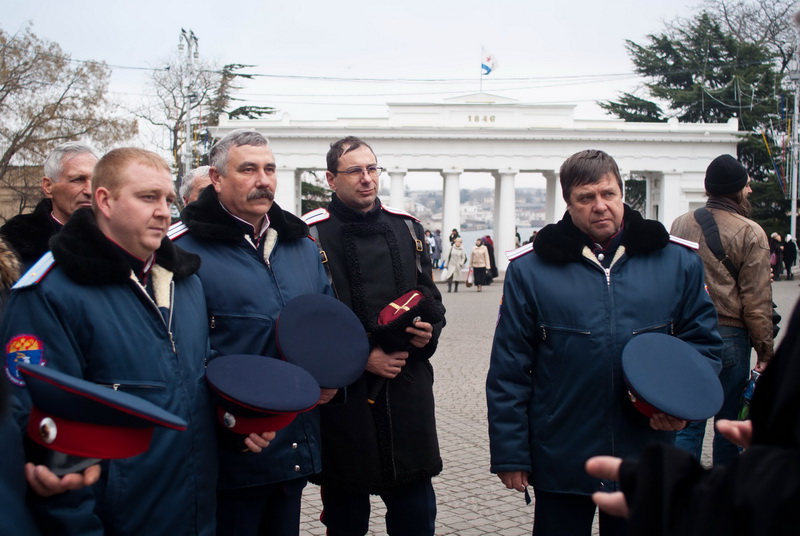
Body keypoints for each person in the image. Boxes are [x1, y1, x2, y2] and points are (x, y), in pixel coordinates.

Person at [486, 149, 722, 536]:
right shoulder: (529, 270)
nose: (600, 206)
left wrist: (680, 405)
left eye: (608, 193)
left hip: (645, 451)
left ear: (621, 193)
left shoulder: (677, 261)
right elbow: (510, 368)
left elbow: (703, 345)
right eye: (586, 197)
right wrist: (511, 453)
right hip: (562, 452)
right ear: (568, 202)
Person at [1, 148, 219, 535]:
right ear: (104, 200)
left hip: (193, 514)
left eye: (168, 199)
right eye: (148, 197)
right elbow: (40, 428)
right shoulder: (50, 292)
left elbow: (193, 383)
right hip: (113, 521)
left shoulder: (187, 283)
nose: (164, 212)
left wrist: (237, 421)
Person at [170, 129, 333, 536]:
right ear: (217, 178)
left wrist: (332, 378)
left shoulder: (301, 246)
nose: (263, 180)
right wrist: (231, 423)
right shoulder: (181, 250)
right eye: (248, 169)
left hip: (292, 447)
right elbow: (178, 357)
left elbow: (325, 324)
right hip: (229, 457)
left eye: (269, 169)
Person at [303, 135, 445, 536]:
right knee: (346, 521)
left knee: (416, 517)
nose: (366, 179)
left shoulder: (408, 227)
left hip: (407, 391)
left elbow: (430, 297)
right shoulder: (310, 234)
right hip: (346, 399)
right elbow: (307, 318)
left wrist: (428, 332)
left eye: (371, 169)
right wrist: (362, 356)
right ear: (331, 179)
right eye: (354, 171)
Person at [586, 297, 800, 536]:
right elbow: (755, 297)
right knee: (721, 429)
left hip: (709, 344)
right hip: (729, 336)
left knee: (707, 428)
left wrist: (695, 499)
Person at [670, 154, 773, 466]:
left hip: (687, 333)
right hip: (730, 337)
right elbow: (757, 302)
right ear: (736, 189)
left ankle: (678, 488)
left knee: (688, 421)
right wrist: (765, 352)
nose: (750, 190)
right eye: (746, 185)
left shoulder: (680, 224)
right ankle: (725, 491)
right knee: (728, 426)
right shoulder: (750, 232)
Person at [1, 142, 98, 268]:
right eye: (78, 180)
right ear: (48, 186)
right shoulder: (14, 242)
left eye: (96, 181)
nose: (89, 191)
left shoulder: (117, 239)